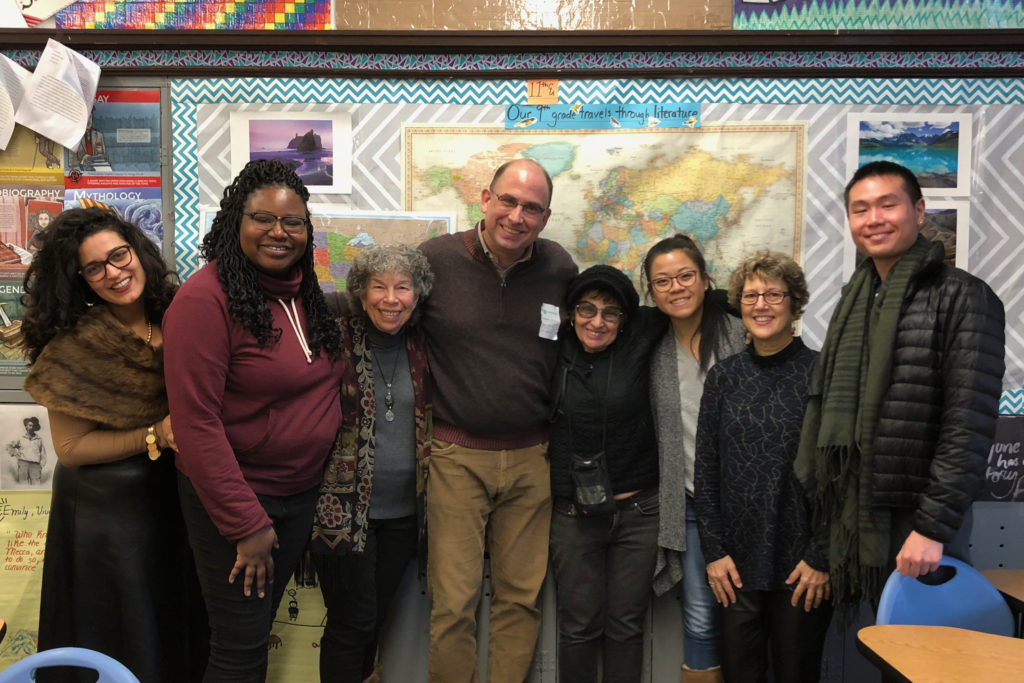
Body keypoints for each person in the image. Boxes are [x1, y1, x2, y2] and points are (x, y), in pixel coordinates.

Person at [795, 161, 1005, 618]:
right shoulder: (855, 299)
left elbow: (968, 423)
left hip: (923, 522)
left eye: (888, 204)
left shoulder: (964, 296)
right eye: (860, 209)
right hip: (864, 506)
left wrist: (932, 528)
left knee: (934, 655)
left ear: (920, 210)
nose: (874, 218)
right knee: (891, 649)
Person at [164, 159, 343, 682]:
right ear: (233, 223)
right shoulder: (203, 301)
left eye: (293, 222)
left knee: (254, 631)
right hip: (240, 503)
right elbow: (195, 424)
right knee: (240, 647)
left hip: (297, 496)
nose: (279, 233)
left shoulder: (302, 292)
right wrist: (246, 525)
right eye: (263, 219)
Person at [21, 206, 204, 682]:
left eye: (119, 256)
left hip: (174, 500)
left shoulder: (179, 316)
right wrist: (154, 435)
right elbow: (71, 448)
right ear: (80, 279)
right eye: (95, 268)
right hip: (107, 518)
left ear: (137, 251)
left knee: (174, 629)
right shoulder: (73, 346)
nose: (114, 273)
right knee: (121, 640)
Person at [418, 157, 578, 682]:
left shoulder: (559, 268)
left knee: (520, 602)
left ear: (546, 216)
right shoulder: (435, 259)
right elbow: (383, 309)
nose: (517, 216)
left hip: (534, 459)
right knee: (453, 604)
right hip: (455, 457)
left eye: (531, 208)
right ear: (485, 200)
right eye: (507, 201)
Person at [694, 251, 832, 682]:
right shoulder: (724, 378)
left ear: (794, 304)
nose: (761, 305)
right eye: (751, 295)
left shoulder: (823, 375)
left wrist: (822, 556)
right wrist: (715, 554)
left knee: (797, 673)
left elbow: (842, 475)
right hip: (735, 569)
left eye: (774, 294)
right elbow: (706, 472)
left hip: (803, 566)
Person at [310, 243, 434, 683]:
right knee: (352, 623)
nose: (391, 298)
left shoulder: (424, 344)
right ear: (360, 294)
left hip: (403, 514)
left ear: (417, 295)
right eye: (378, 287)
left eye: (403, 287)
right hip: (342, 511)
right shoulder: (333, 335)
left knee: (375, 620)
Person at [547, 265, 666, 683]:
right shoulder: (552, 347)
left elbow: (698, 303)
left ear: (625, 319)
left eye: (610, 313)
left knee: (626, 627)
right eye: (587, 309)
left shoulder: (642, 336)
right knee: (579, 627)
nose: (597, 321)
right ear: (571, 312)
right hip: (573, 515)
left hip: (638, 513)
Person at [643, 233, 745, 683]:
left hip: (749, 502)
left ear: (706, 280)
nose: (676, 287)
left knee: (750, 616)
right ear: (651, 291)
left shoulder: (743, 334)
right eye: (662, 281)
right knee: (702, 618)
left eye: (686, 276)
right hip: (689, 505)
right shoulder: (648, 348)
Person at [7, 416, 47, 485]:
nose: (31, 427)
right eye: (30, 425)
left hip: (35, 466)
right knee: (23, 485)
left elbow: (43, 454)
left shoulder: (39, 439)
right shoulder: (20, 438)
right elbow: (9, 446)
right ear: (26, 426)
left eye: (33, 426)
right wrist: (16, 454)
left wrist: (40, 466)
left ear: (35, 428)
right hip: (23, 465)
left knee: (36, 486)